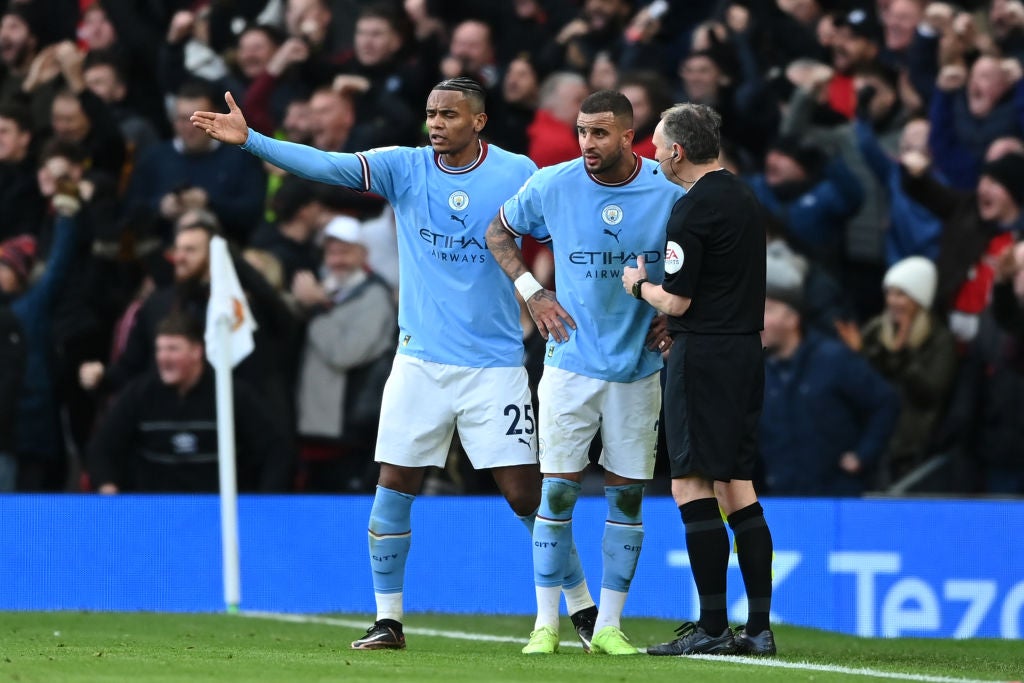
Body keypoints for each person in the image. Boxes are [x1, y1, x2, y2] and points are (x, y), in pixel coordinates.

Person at [191, 76, 597, 651]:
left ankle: (581, 609)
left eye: (450, 115)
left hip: (494, 365)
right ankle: (388, 621)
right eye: (431, 113)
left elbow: (567, 236)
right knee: (392, 486)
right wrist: (251, 140)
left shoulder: (517, 173)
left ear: (478, 121)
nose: (436, 124)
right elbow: (324, 165)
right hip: (419, 364)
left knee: (524, 495)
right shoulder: (403, 167)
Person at [487, 89, 681, 656]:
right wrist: (534, 293)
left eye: (599, 134)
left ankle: (610, 626)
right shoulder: (553, 183)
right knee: (558, 494)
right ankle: (546, 623)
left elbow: (702, 259)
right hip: (569, 364)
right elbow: (498, 232)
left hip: (638, 367)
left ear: (628, 135)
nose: (587, 144)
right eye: (581, 132)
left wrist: (675, 317)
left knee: (626, 499)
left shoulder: (667, 191)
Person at [620, 103, 776, 656]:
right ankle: (757, 629)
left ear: (676, 152)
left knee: (690, 481)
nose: (652, 153)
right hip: (745, 354)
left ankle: (711, 626)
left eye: (656, 144)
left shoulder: (690, 212)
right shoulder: (743, 198)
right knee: (737, 484)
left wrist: (638, 285)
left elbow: (679, 298)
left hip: (703, 357)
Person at [86, 313, 292, 493]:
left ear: (196, 352)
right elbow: (101, 448)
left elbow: (275, 448)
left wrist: (267, 500)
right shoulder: (139, 394)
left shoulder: (230, 394)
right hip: (155, 512)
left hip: (217, 511)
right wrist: (107, 487)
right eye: (159, 349)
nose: (163, 358)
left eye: (173, 349)